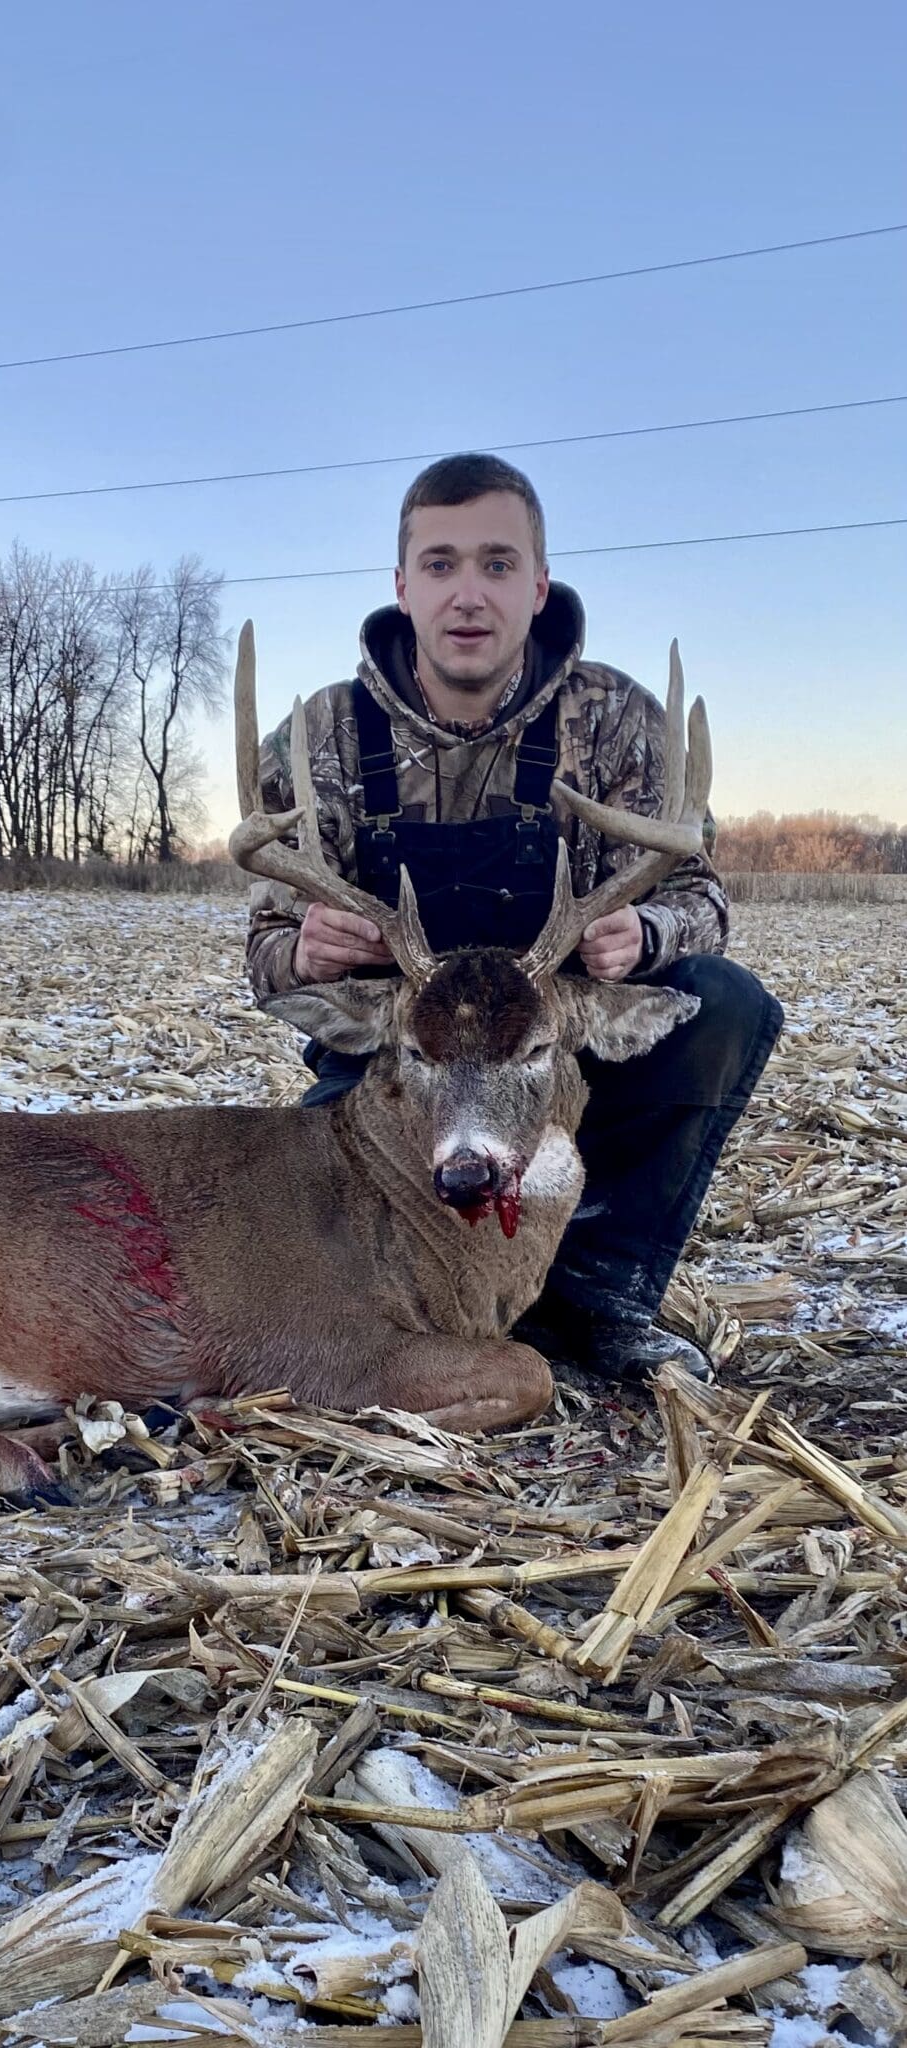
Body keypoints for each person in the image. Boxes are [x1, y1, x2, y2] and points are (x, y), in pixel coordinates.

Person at [245, 453, 783, 1383]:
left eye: (496, 564)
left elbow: (701, 900)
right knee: (310, 1258)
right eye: (440, 563)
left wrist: (645, 934)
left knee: (723, 1002)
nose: (468, 594)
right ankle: (414, 1326)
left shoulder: (614, 719)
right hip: (400, 1068)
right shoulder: (321, 736)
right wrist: (304, 951)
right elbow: (263, 955)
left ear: (537, 586)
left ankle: (595, 1296)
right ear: (402, 585)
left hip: (560, 1047)